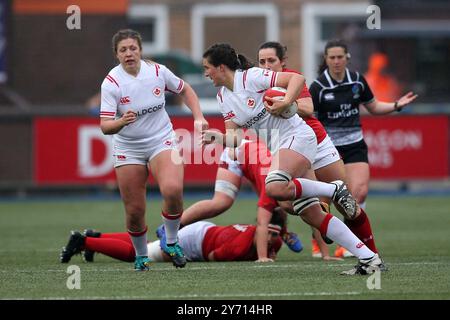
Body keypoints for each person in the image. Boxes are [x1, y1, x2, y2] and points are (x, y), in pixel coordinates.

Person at [200, 43, 384, 275]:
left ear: (221, 67)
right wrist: (216, 137)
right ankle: (370, 259)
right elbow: (235, 138)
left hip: (300, 136)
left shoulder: (251, 77)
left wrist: (286, 102)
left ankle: (331, 190)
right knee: (310, 214)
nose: (205, 73)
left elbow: (298, 80)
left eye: (207, 68)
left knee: (275, 187)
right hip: (282, 146)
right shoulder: (223, 97)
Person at [87, 29, 209, 271]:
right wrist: (121, 122)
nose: (129, 53)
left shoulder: (157, 71)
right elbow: (105, 126)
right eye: (123, 50)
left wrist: (198, 117)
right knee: (134, 211)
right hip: (128, 148)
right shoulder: (111, 83)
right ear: (117, 55)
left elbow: (185, 89)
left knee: (173, 190)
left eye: (133, 48)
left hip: (162, 139)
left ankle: (172, 242)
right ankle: (141, 255)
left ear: (141, 50)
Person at [257, 41, 383, 262]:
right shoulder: (256, 83)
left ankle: (371, 256)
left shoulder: (291, 79)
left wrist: (286, 102)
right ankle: (324, 212)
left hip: (314, 140)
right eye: (262, 61)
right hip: (286, 147)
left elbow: (307, 108)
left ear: (282, 62)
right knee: (287, 203)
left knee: (347, 204)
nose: (266, 66)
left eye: (271, 61)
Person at [309, 39, 417, 211]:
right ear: (326, 59)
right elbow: (309, 116)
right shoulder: (318, 87)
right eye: (332, 57)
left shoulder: (357, 81)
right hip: (328, 148)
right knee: (328, 198)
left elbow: (374, 107)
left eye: (340, 57)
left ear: (347, 58)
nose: (336, 61)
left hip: (354, 144)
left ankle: (354, 236)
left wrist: (396, 105)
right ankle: (323, 235)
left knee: (359, 193)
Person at [171, 138, 303, 262]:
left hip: (259, 160)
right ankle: (171, 227)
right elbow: (262, 223)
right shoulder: (271, 186)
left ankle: (284, 233)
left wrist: (325, 255)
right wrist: (262, 257)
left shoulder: (292, 178)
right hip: (237, 153)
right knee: (221, 202)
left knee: (279, 206)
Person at [58, 215, 284, 264]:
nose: (272, 239)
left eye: (274, 234)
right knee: (141, 255)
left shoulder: (266, 238)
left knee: (144, 245)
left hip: (203, 232)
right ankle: (83, 242)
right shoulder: (243, 243)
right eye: (270, 233)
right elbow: (217, 256)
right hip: (195, 240)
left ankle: (96, 237)